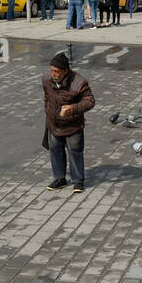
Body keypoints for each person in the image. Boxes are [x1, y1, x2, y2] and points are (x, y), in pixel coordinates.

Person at [41, 51, 95, 194]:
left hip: (73, 126)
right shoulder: (46, 79)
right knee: (55, 151)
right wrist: (48, 112)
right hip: (53, 125)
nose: (53, 74)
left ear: (65, 71)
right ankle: (60, 179)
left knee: (75, 152)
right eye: (52, 70)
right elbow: (46, 97)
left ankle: (78, 181)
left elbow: (90, 101)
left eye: (57, 71)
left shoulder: (79, 82)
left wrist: (73, 108)